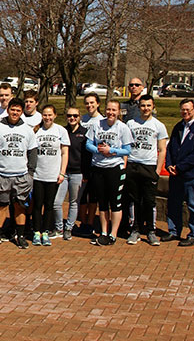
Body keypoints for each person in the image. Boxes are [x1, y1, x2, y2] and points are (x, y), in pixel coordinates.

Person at [0, 97, 37, 249]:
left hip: (21, 174)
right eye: (12, 109)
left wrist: (30, 173)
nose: (15, 113)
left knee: (19, 206)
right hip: (2, 174)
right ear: (8, 110)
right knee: (1, 206)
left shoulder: (27, 130)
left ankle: (20, 235)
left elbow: (32, 152)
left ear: (22, 112)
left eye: (18, 110)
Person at [164, 99, 194, 247]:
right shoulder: (178, 127)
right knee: (173, 204)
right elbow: (170, 148)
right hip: (175, 175)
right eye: (183, 110)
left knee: (193, 205)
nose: (185, 112)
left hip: (192, 175)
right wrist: (170, 164)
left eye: (188, 110)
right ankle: (173, 231)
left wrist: (181, 167)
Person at [86, 100, 133, 246]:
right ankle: (104, 232)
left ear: (118, 112)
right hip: (99, 167)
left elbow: (127, 150)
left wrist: (111, 151)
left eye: (114, 110)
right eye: (108, 110)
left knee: (115, 202)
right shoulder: (97, 124)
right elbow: (88, 144)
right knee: (102, 202)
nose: (110, 113)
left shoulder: (123, 128)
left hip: (115, 168)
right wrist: (99, 150)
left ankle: (113, 234)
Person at [125, 94, 168, 246]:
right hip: (133, 164)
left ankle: (151, 231)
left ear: (153, 107)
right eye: (143, 105)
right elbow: (125, 146)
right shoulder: (130, 124)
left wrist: (157, 171)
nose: (146, 108)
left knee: (149, 201)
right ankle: (135, 229)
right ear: (139, 107)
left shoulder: (159, 126)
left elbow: (162, 149)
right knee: (134, 200)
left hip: (149, 166)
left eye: (149, 105)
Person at [31, 104, 70, 247]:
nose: (47, 118)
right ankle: (36, 232)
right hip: (38, 174)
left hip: (53, 175)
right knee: (37, 204)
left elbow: (65, 153)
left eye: (50, 115)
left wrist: (62, 172)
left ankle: (46, 232)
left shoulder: (61, 131)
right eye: (45, 115)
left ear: (55, 116)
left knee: (49, 205)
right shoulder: (36, 130)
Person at [52, 107, 91, 240]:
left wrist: (86, 175)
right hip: (63, 172)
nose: (72, 118)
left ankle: (69, 228)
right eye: (69, 116)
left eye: (75, 116)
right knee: (57, 202)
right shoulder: (62, 131)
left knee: (74, 202)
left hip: (78, 173)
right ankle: (59, 227)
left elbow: (87, 156)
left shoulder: (85, 133)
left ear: (79, 117)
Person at [78, 93, 104, 235]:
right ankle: (83, 222)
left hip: (96, 161)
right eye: (87, 103)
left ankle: (91, 221)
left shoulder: (101, 120)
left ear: (98, 104)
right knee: (82, 195)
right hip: (83, 160)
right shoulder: (83, 119)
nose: (89, 106)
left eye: (92, 103)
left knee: (93, 195)